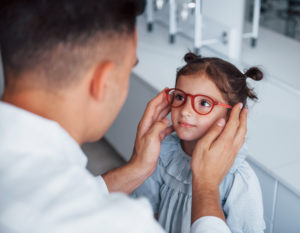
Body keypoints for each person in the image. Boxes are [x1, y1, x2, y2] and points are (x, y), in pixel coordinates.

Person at [0, 1, 247, 233]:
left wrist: (137, 168)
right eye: (130, 68)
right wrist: (206, 186)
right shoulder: (120, 223)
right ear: (103, 82)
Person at [132, 52, 265, 233]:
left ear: (232, 116)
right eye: (180, 97)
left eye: (204, 102)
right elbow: (147, 211)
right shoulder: (161, 152)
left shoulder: (238, 178)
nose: (186, 111)